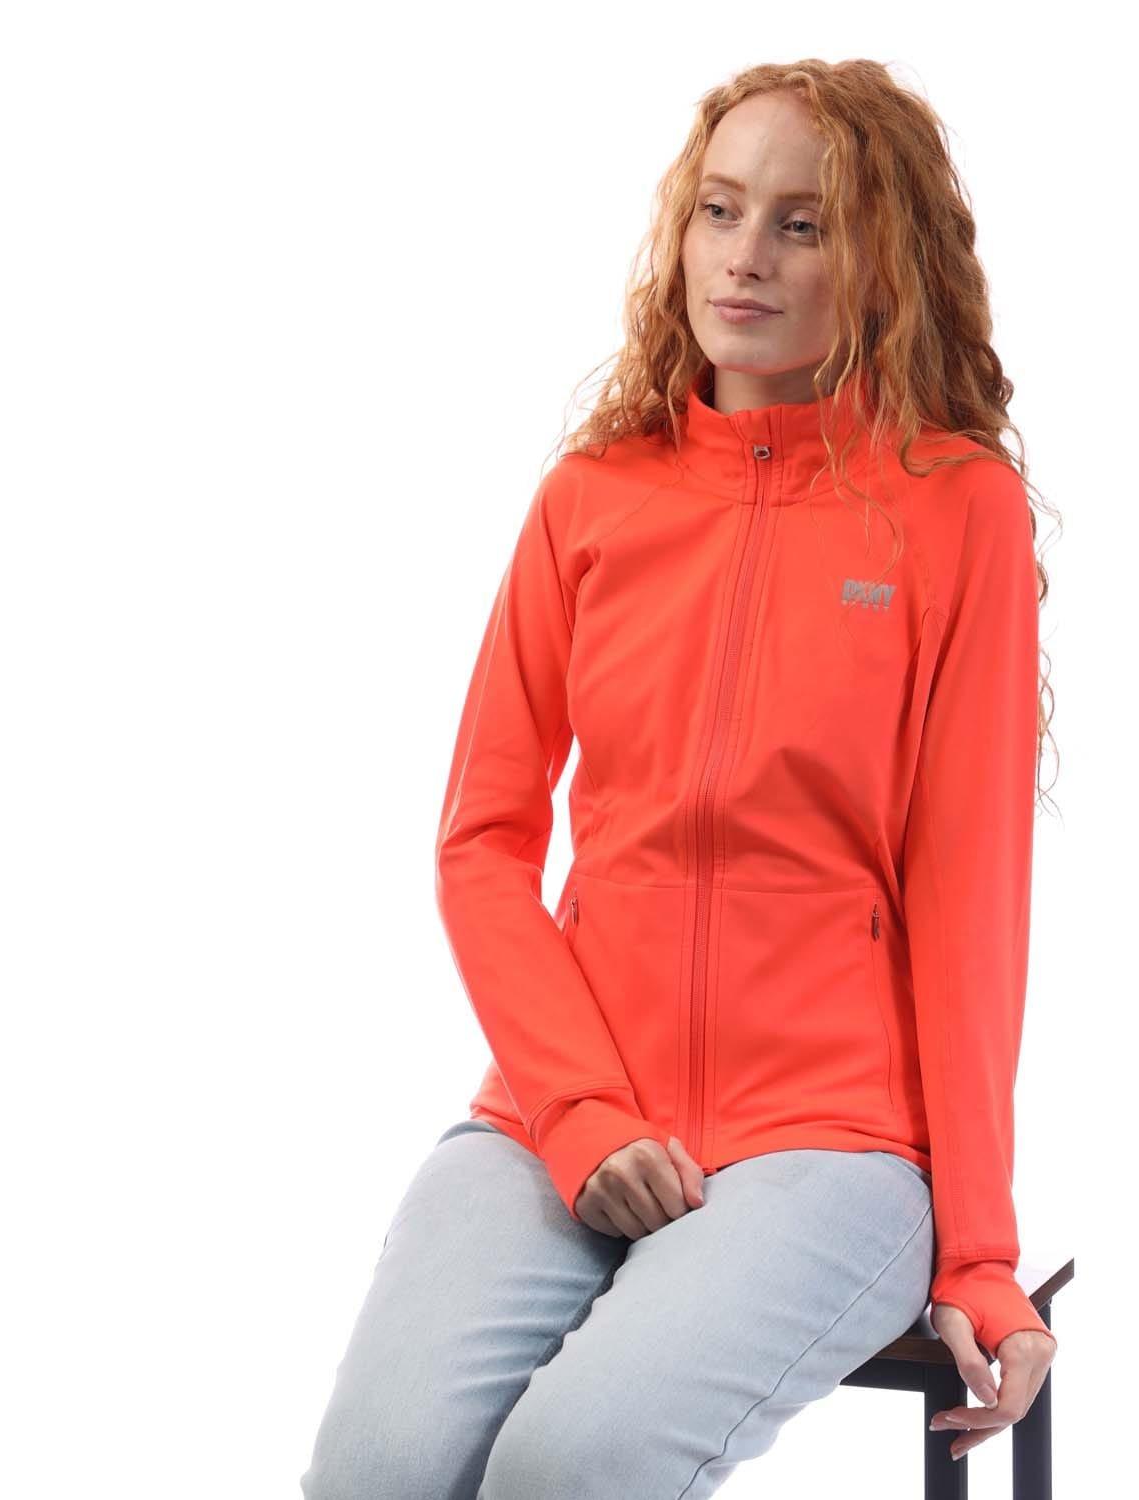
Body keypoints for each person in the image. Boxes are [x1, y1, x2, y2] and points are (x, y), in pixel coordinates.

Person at [301, 57, 1060, 1500]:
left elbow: (970, 901)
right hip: (561, 1113)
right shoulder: (594, 499)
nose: (744, 256)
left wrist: (980, 1251)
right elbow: (482, 842)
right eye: (720, 210)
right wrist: (581, 1114)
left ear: (882, 259)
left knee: (571, 1466)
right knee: (376, 1473)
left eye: (801, 223)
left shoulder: (953, 508)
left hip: (829, 1142)